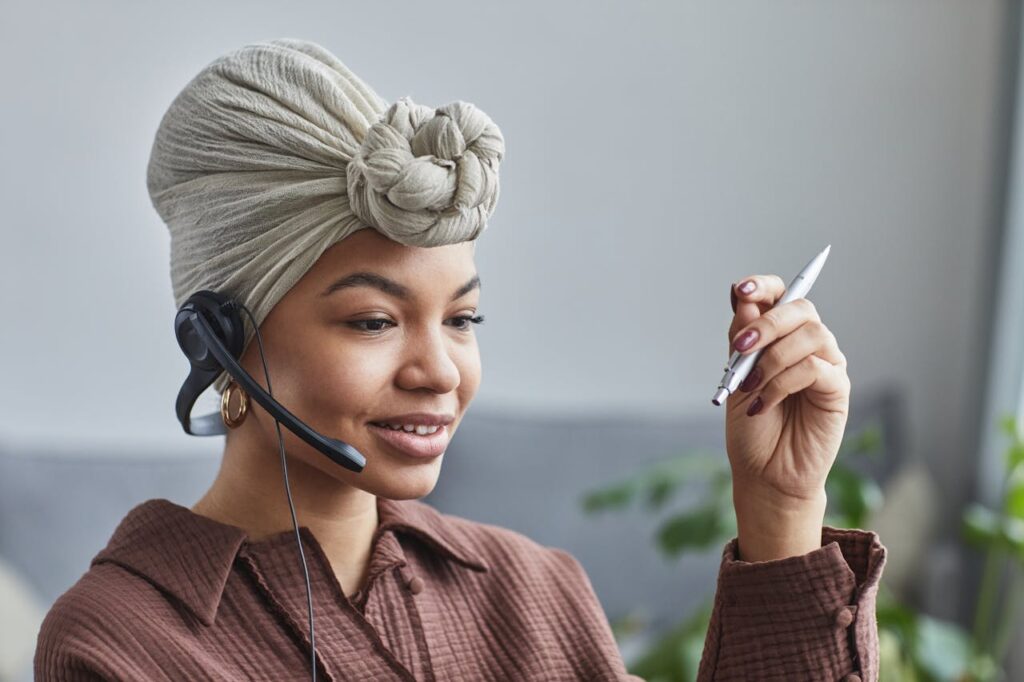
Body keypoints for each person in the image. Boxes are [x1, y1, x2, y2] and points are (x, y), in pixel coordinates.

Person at [34, 38, 885, 681]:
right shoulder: (119, 643)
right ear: (216, 339)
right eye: (373, 321)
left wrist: (780, 511)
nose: (440, 371)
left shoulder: (535, 593)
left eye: (463, 317)